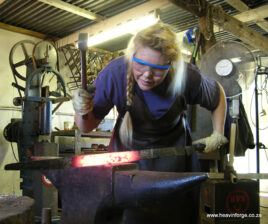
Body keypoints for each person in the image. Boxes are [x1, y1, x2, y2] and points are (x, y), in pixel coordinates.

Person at [72, 22, 228, 224]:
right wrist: (81, 110)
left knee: (175, 215)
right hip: (127, 160)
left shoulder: (186, 76)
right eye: (140, 65)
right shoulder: (115, 74)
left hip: (175, 160)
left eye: (157, 69)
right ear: (132, 56)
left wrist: (218, 133)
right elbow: (86, 126)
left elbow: (218, 96)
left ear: (170, 65)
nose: (147, 75)